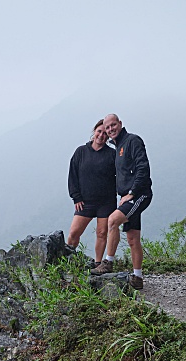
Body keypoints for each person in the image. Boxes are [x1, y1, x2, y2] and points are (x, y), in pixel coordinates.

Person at [90, 113, 153, 290]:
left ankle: (108, 263)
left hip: (139, 194)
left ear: (120, 124)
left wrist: (132, 193)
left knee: (112, 220)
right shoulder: (117, 147)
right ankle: (137, 277)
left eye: (113, 125)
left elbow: (143, 167)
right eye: (107, 127)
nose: (110, 130)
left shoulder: (133, 141)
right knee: (133, 238)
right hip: (127, 196)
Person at [64, 120, 117, 266]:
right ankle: (69, 261)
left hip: (106, 202)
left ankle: (98, 264)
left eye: (105, 133)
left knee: (101, 233)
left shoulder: (112, 154)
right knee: (74, 233)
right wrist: (76, 197)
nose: (101, 135)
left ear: (108, 137)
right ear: (94, 131)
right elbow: (72, 175)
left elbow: (121, 175)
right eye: (99, 131)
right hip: (85, 202)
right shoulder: (81, 152)